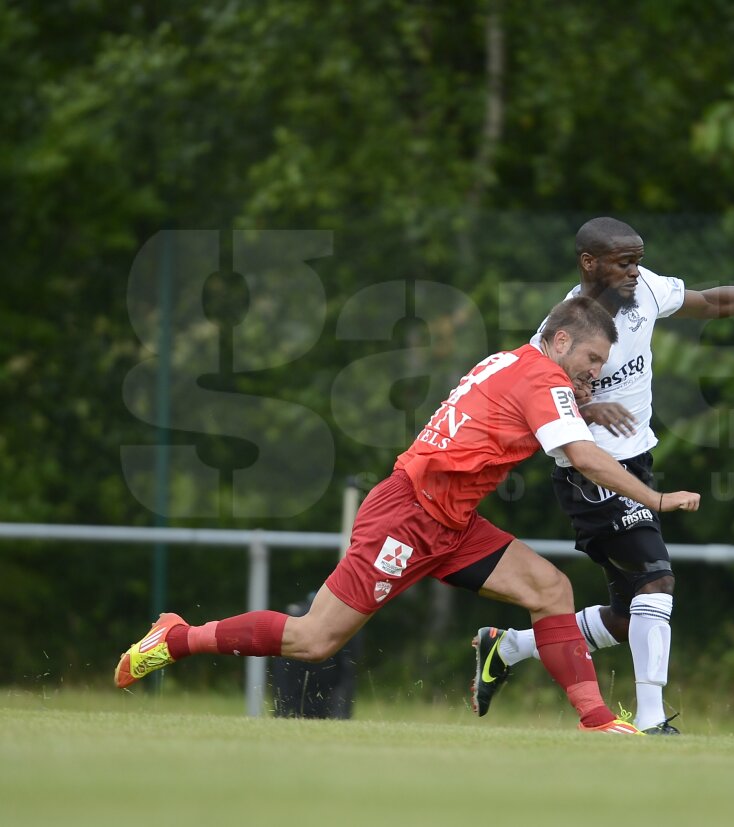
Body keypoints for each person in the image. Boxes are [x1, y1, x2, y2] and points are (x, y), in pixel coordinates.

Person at [114, 296, 701, 734]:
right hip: (407, 517)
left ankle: (596, 721)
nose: (597, 369)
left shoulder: (516, 365)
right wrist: (654, 498)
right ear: (563, 340)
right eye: (594, 358)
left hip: (452, 523)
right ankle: (178, 637)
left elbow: (546, 415)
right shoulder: (541, 379)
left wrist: (587, 407)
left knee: (550, 589)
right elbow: (580, 457)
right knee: (314, 640)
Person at [471, 217, 734, 734]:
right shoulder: (562, 327)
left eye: (638, 259)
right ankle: (651, 722)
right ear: (589, 263)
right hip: (592, 473)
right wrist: (586, 409)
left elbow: (711, 302)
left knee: (630, 618)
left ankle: (508, 646)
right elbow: (532, 394)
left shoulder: (645, 289)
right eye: (624, 262)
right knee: (657, 579)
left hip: (638, 461)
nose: (635, 270)